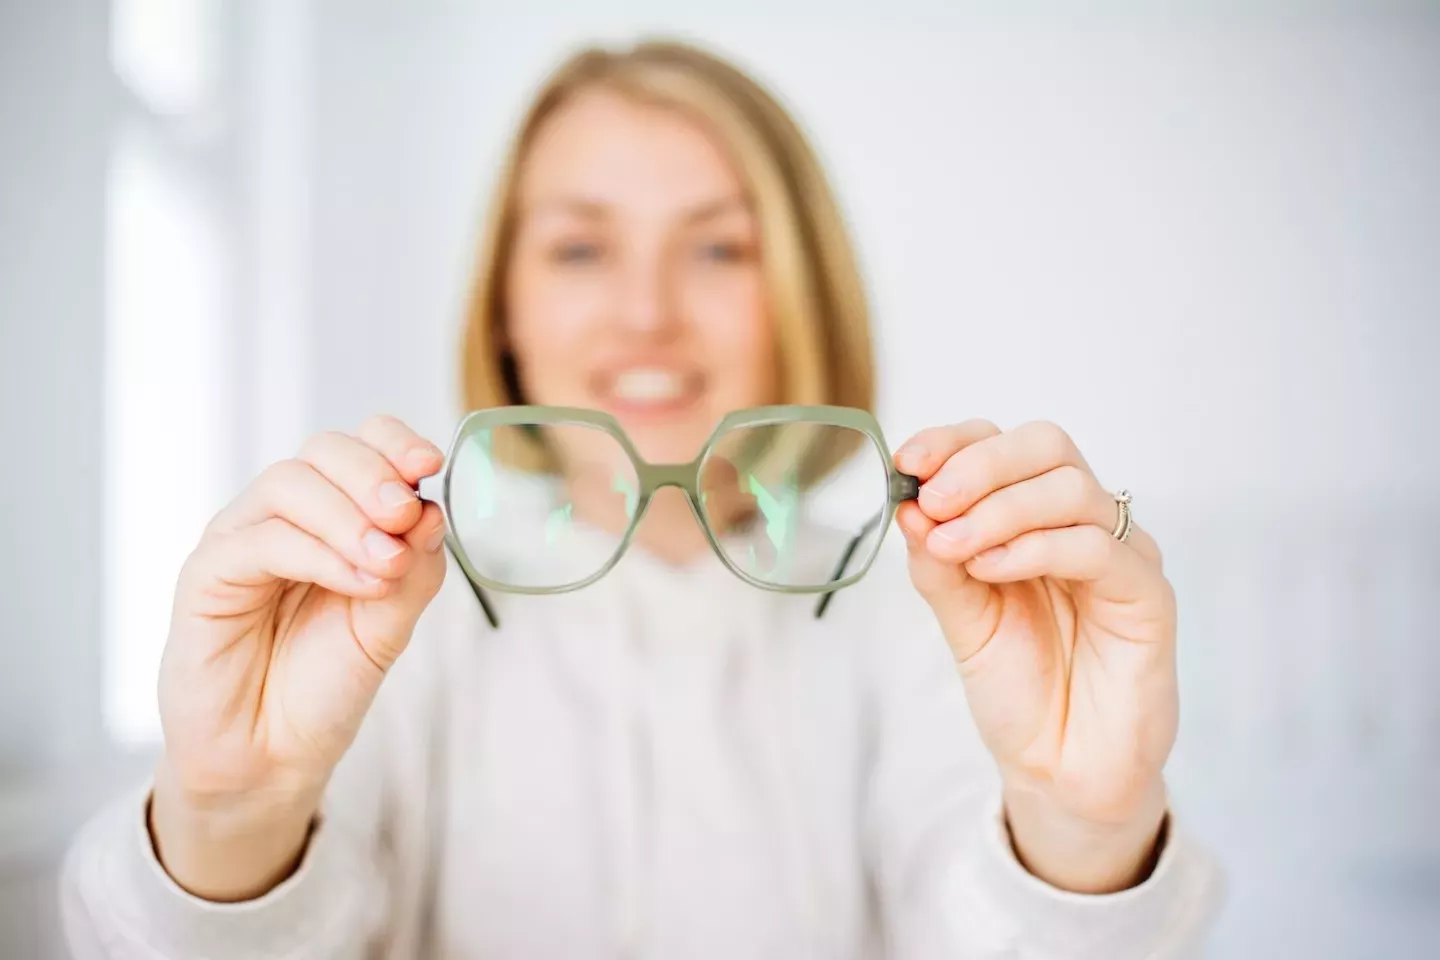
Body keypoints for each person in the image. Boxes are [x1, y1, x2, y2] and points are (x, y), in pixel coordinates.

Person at [60, 38, 1222, 958]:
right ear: (502, 305)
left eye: (717, 249)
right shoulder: (378, 617)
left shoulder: (929, 616)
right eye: (579, 250)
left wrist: (1082, 826)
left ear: (801, 292)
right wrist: (229, 812)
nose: (647, 314)